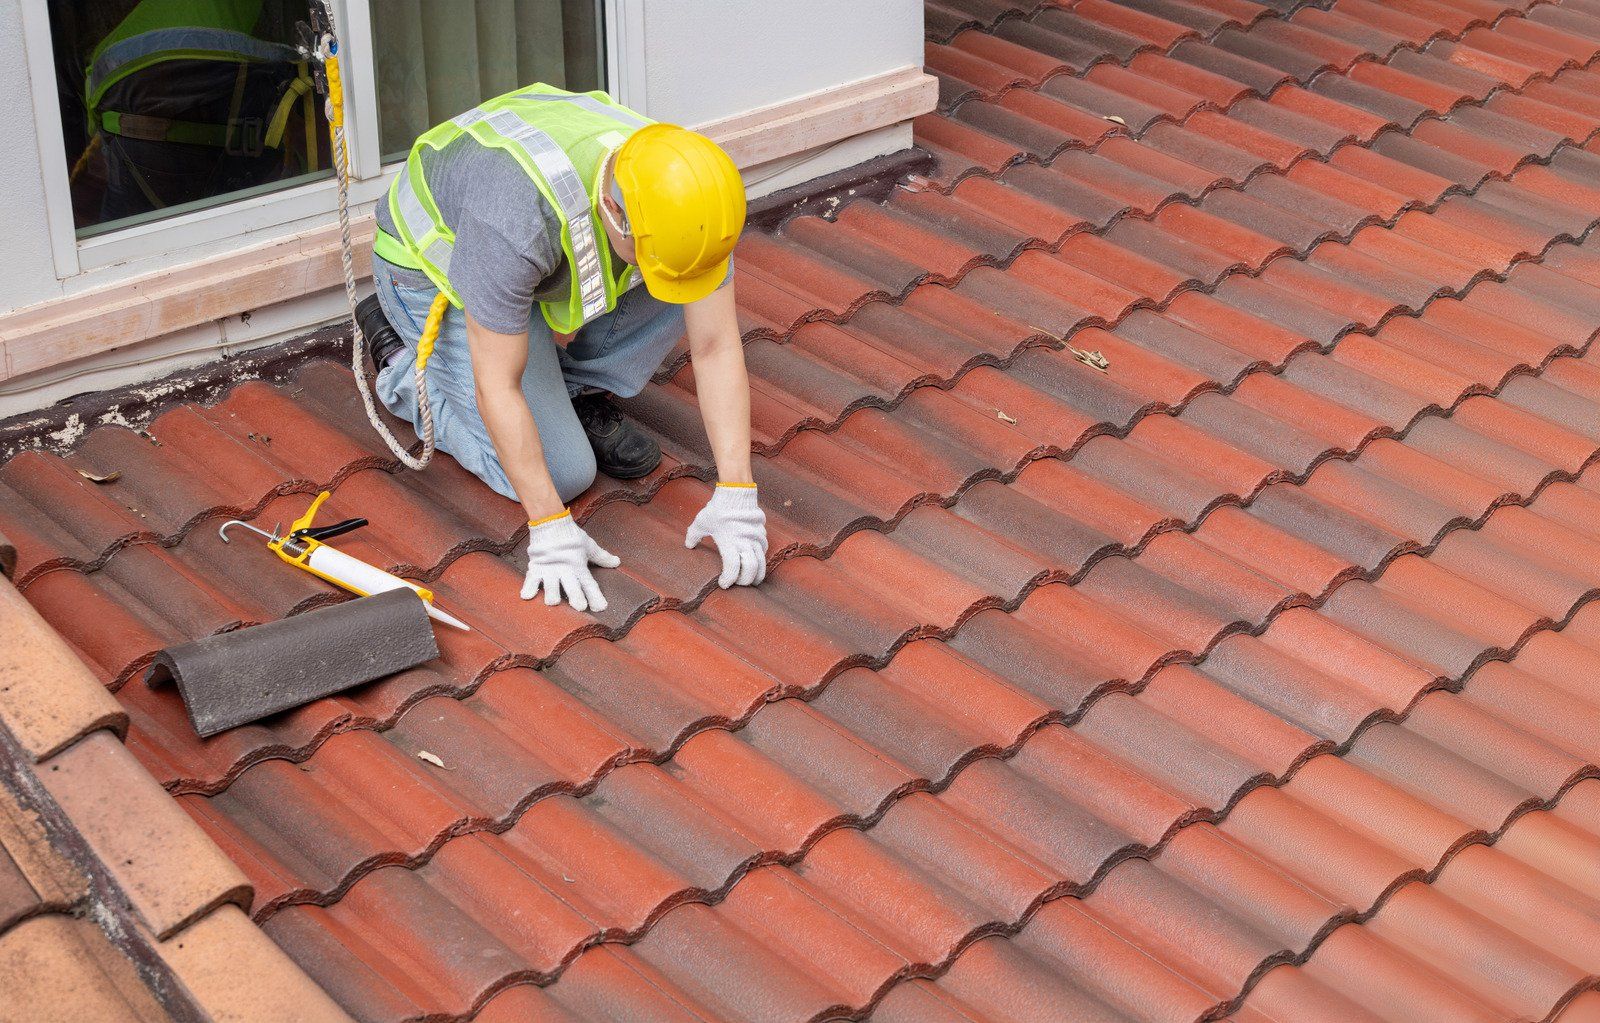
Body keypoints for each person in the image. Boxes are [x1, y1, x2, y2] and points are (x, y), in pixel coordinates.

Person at [362, 83, 766, 613]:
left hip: (520, 260)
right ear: (613, 212)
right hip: (438, 270)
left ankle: (564, 390)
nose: (647, 276)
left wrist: (738, 492)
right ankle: (402, 365)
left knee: (681, 282)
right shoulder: (514, 218)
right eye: (644, 259)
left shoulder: (686, 198)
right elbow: (497, 385)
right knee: (564, 474)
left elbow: (714, 345)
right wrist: (550, 526)